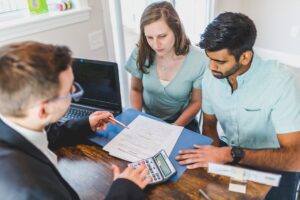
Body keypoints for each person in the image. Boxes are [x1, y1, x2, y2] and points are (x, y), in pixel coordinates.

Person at [0, 41, 151, 199]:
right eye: (70, 91)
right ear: (43, 110)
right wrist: (124, 189)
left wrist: (86, 124)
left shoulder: (15, 119)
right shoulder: (35, 189)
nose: (74, 93)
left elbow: (49, 133)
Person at [175, 12, 300, 200]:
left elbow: (295, 158)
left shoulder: (282, 82)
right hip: (229, 154)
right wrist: (212, 164)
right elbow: (209, 125)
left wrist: (231, 155)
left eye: (220, 61)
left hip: (276, 163)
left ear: (245, 57)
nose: (211, 67)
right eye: (209, 58)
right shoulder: (211, 77)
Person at [125, 1, 208, 132]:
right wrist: (137, 118)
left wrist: (173, 128)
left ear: (176, 28)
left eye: (162, 36)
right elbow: (135, 89)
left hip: (183, 123)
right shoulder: (141, 52)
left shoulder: (199, 60)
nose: (156, 44)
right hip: (147, 119)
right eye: (149, 37)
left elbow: (196, 102)